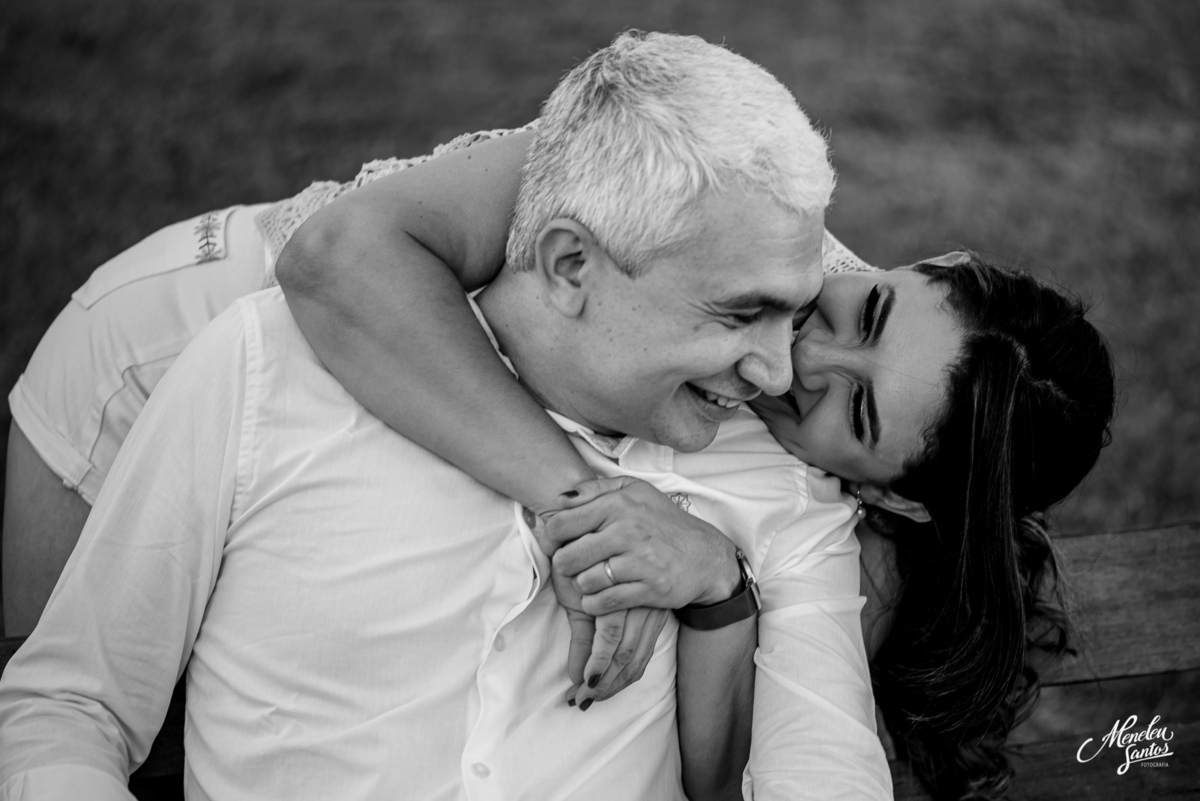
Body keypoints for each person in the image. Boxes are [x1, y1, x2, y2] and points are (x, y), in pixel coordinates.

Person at [0, 32, 895, 801]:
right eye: (740, 314)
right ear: (571, 266)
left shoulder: (780, 479)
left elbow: (826, 763)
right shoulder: (264, 367)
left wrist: (718, 586)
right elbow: (70, 705)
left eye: (795, 309)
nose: (782, 370)